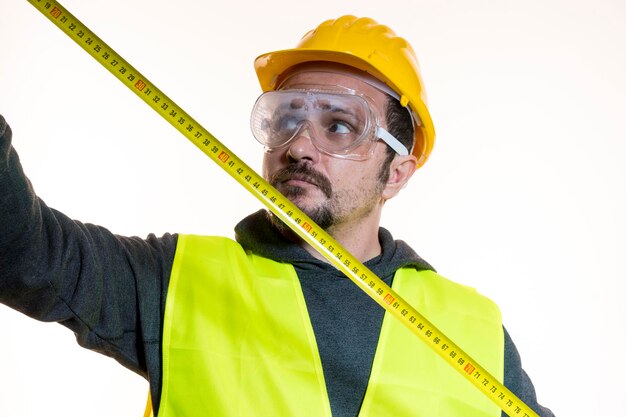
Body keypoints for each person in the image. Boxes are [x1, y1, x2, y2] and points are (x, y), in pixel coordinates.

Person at [0, 15, 554, 417]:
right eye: (286, 119)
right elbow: (24, 251)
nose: (298, 146)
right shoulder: (176, 281)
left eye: (339, 125)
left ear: (398, 172)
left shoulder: (472, 331)